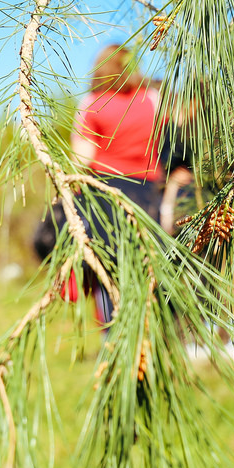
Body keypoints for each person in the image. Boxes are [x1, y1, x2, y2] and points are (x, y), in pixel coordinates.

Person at [71, 43, 163, 326]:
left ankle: (111, 335)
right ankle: (149, 334)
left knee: (108, 265)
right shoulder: (152, 99)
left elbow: (81, 158)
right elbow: (167, 143)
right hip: (148, 193)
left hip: (104, 194)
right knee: (147, 263)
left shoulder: (92, 103)